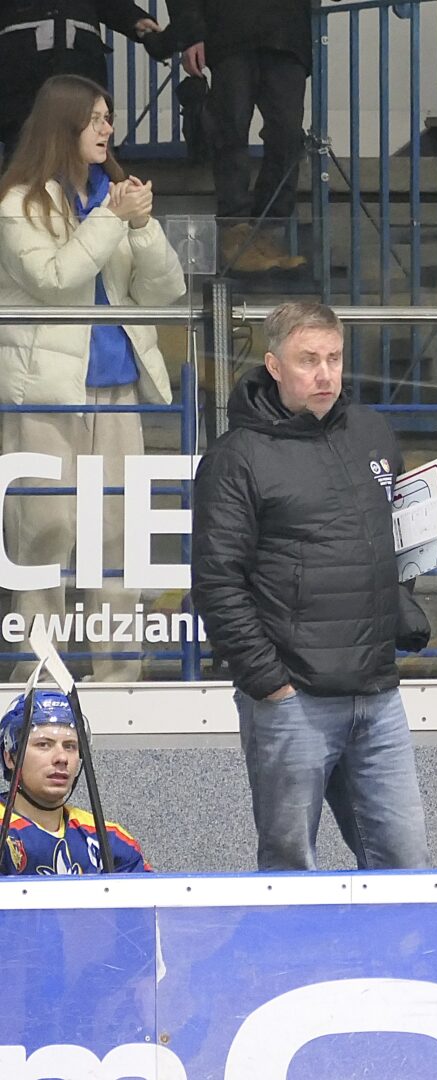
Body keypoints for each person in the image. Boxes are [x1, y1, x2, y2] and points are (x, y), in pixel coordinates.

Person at [191, 300, 433, 871]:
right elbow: (217, 581)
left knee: (408, 868)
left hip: (377, 692)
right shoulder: (236, 457)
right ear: (274, 366)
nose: (325, 373)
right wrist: (269, 683)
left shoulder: (372, 432)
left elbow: (394, 542)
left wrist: (400, 611)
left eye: (334, 358)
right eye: (308, 360)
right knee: (290, 870)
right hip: (292, 699)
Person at [0, 74, 185, 683]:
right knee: (44, 533)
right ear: (64, 124)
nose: (108, 128)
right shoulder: (19, 203)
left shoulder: (115, 195)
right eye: (96, 118)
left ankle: (119, 678)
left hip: (118, 388)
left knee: (119, 537)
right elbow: (55, 280)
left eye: (109, 117)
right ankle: (38, 681)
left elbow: (164, 291)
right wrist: (111, 218)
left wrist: (142, 226)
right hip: (46, 396)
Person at [168, 0, 308, 272]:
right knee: (230, 129)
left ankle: (266, 231)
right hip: (231, 29)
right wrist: (191, 34)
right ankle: (236, 232)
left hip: (285, 31)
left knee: (288, 133)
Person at [0, 689, 149, 874]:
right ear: (10, 758)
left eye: (70, 746)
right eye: (43, 744)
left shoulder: (110, 838)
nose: (62, 758)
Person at [0, 0, 160, 149]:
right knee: (22, 142)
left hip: (80, 66)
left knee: (85, 140)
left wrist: (135, 19)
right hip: (22, 72)